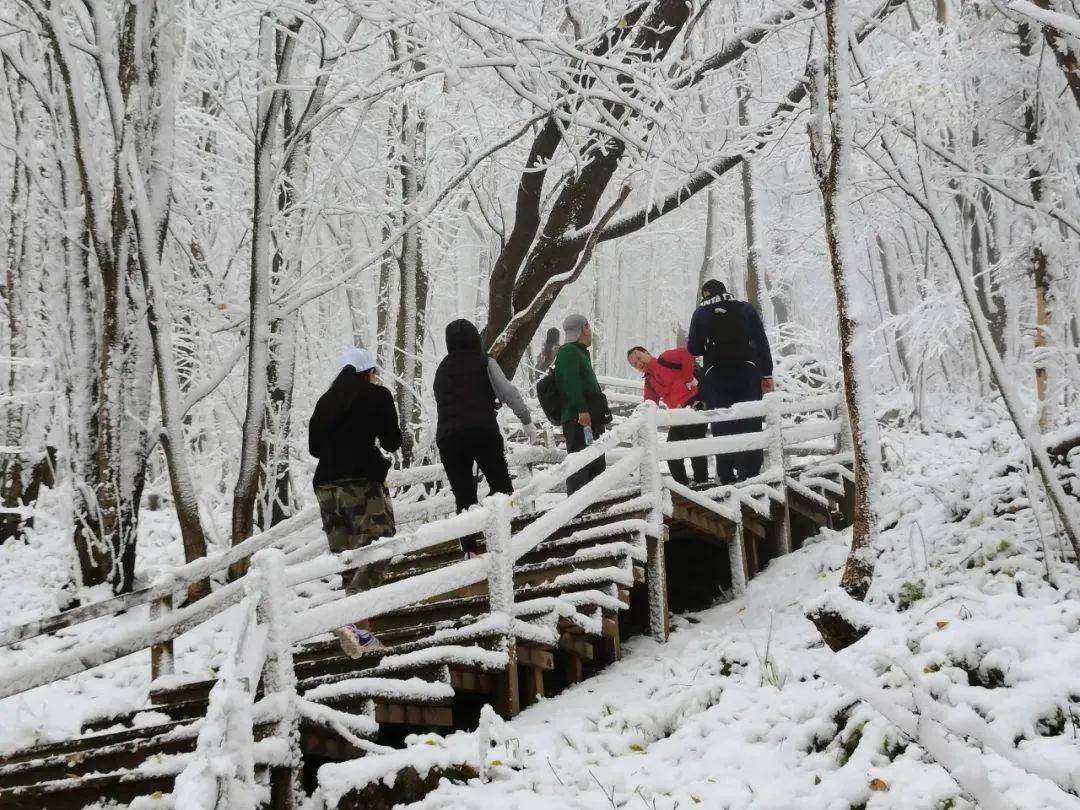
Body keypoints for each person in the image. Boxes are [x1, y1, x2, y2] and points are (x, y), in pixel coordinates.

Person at [309, 348, 401, 656]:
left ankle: (361, 631)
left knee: (348, 559)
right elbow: (393, 440)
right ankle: (352, 618)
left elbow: (314, 447)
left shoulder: (326, 401)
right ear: (368, 372)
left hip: (325, 487)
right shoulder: (376, 395)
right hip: (360, 482)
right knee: (381, 546)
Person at [434, 319, 537, 554]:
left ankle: (470, 550)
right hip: (482, 431)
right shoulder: (484, 362)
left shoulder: (441, 369)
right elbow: (507, 391)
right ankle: (502, 541)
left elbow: (449, 401)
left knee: (463, 495)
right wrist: (526, 419)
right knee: (501, 486)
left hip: (448, 438)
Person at [687, 280, 774, 484]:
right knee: (750, 420)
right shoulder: (745, 308)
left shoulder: (701, 312)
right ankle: (751, 473)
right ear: (725, 291)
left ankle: (726, 475)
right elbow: (761, 341)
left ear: (705, 294)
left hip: (716, 374)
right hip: (748, 371)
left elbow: (694, 348)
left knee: (722, 422)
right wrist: (766, 373)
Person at [627, 345, 708, 486]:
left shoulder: (666, 359)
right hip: (677, 416)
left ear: (647, 352)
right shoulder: (649, 382)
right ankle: (682, 487)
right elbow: (649, 404)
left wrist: (688, 377)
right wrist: (637, 419)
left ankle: (702, 484)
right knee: (671, 453)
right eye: (635, 364)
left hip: (695, 407)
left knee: (695, 448)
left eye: (639, 358)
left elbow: (687, 352)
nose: (639, 363)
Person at [555, 314, 610, 495]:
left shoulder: (578, 351)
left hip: (589, 418)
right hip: (579, 419)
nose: (591, 333)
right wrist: (582, 410)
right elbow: (571, 383)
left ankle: (595, 506)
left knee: (595, 464)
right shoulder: (569, 351)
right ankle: (579, 512)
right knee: (580, 466)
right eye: (588, 328)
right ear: (583, 328)